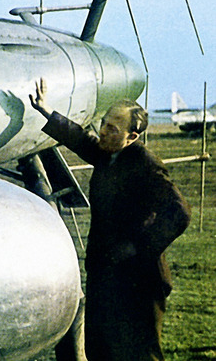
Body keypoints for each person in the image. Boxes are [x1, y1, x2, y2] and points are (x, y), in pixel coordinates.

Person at [29, 78, 191, 360]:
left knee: (139, 353)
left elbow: (180, 213)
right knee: (101, 349)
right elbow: (80, 138)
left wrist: (137, 247)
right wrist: (46, 111)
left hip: (138, 279)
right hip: (106, 274)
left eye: (113, 128)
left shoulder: (145, 165)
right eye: (103, 123)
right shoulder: (108, 154)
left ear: (132, 137)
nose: (103, 132)